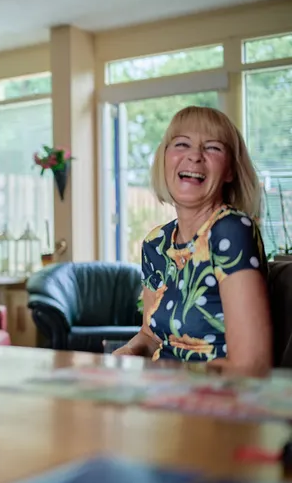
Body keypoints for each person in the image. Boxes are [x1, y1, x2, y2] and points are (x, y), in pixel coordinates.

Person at [114, 106, 273, 374]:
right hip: (165, 401)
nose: (195, 156)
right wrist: (127, 352)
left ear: (230, 171)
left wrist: (167, 382)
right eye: (182, 144)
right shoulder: (156, 243)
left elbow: (251, 365)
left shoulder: (231, 230)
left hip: (218, 405)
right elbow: (152, 336)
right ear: (165, 159)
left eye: (212, 148)